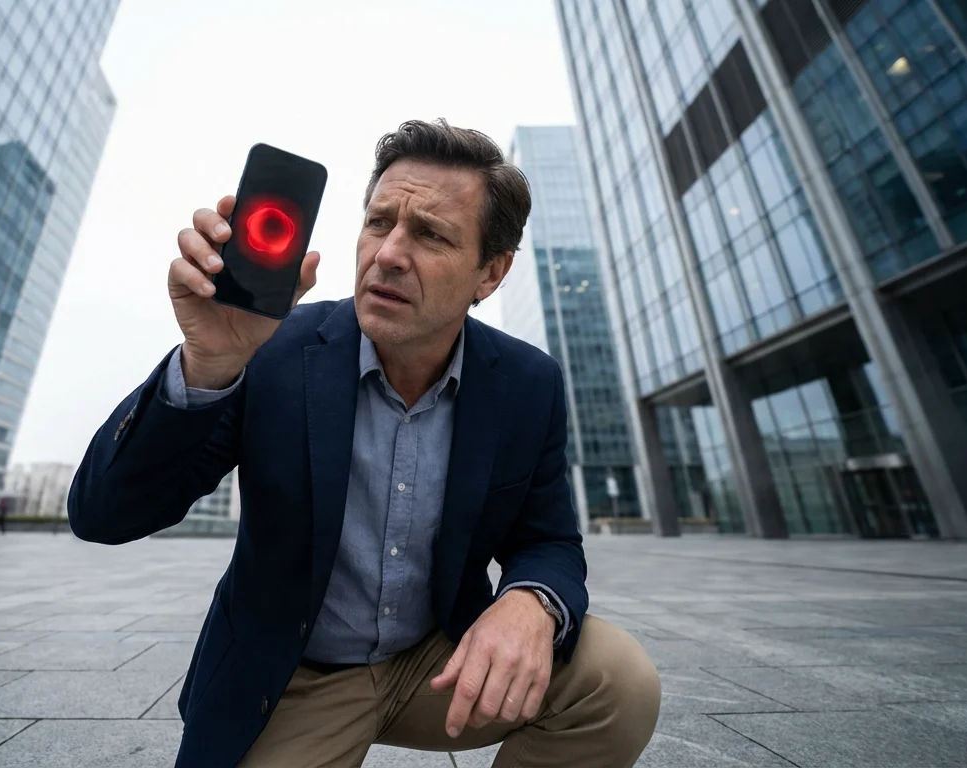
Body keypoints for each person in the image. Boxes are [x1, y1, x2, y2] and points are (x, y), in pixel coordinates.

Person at [69, 120, 661, 767]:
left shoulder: (527, 383)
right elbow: (105, 516)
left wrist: (529, 603)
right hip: (295, 678)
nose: (387, 254)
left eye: (430, 234)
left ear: (490, 273)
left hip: (442, 661)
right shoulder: (271, 351)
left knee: (616, 680)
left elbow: (547, 538)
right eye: (379, 223)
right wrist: (208, 362)